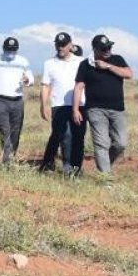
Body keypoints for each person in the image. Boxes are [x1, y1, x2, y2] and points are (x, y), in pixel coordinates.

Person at [74, 34, 134, 176]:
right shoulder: (85, 65)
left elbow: (129, 74)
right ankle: (105, 178)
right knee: (101, 144)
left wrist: (108, 66)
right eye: (104, 48)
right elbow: (78, 86)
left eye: (109, 47)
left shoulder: (117, 59)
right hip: (95, 110)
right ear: (95, 49)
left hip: (117, 109)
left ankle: (105, 164)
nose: (107, 50)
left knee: (121, 143)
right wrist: (75, 109)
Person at [39, 32, 86, 175]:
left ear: (71, 45)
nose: (61, 48)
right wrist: (43, 105)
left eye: (64, 45)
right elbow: (45, 85)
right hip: (58, 105)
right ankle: (63, 165)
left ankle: (76, 167)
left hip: (80, 104)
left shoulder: (81, 61)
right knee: (62, 135)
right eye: (58, 45)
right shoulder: (49, 63)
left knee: (79, 136)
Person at [0, 37, 34, 164]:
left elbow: (31, 77)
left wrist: (27, 80)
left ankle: (11, 155)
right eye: (8, 50)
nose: (10, 53)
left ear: (17, 50)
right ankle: (7, 161)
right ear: (3, 49)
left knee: (16, 130)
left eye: (13, 50)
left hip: (17, 100)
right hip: (0, 99)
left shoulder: (23, 61)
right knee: (4, 130)